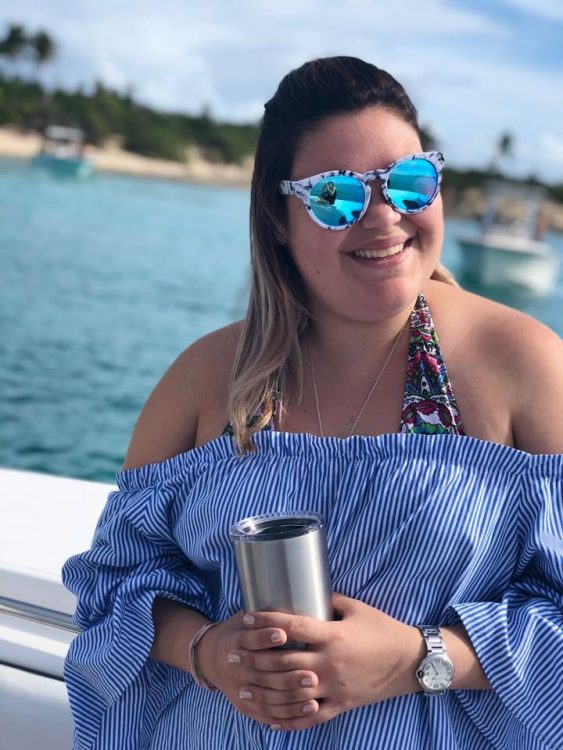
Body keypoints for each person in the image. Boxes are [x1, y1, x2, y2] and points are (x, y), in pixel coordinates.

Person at [62, 56, 563, 750]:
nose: (385, 217)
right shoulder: (209, 379)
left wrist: (419, 659)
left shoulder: (525, 367)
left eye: (412, 182)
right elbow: (113, 587)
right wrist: (211, 653)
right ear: (276, 216)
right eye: (336, 196)